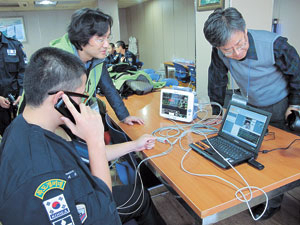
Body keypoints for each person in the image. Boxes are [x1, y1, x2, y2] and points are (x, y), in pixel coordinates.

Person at [0, 47, 166, 225]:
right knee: (139, 196)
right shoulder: (44, 177)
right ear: (60, 100)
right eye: (80, 96)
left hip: (83, 193)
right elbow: (105, 216)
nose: (82, 103)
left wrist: (135, 145)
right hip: (93, 207)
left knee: (138, 194)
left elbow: (86, 154)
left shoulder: (21, 126)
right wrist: (94, 139)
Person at [203, 7, 300, 220]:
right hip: (252, 107)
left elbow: (298, 74)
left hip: (280, 105)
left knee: (277, 160)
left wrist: (295, 105)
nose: (237, 53)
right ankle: (254, 193)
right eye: (228, 50)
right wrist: (217, 110)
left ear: (245, 30)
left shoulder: (275, 45)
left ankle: (272, 203)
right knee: (252, 153)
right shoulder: (220, 50)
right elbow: (217, 79)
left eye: (240, 44)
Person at [48, 8, 143, 126]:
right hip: (55, 124)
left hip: (80, 115)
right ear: (82, 38)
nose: (107, 45)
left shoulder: (97, 59)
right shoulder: (56, 61)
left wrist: (125, 116)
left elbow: (109, 88)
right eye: (100, 39)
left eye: (108, 38)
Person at [0, 32, 27, 136]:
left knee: (21, 134)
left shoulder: (14, 45)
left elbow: (23, 71)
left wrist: (22, 93)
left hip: (16, 101)